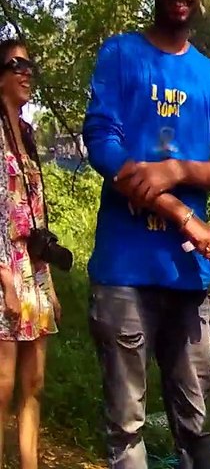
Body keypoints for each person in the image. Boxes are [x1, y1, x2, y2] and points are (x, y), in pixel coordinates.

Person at [84, 0, 210, 469]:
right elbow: (103, 144)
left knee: (197, 425)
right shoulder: (120, 55)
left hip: (185, 278)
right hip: (123, 274)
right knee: (126, 428)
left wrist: (177, 168)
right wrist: (182, 212)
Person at [0, 40, 60, 469]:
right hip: (3, 268)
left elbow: (36, 213)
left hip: (34, 271)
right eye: (15, 64)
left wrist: (49, 283)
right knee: (1, 386)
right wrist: (4, 278)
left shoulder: (27, 134)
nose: (26, 72)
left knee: (33, 384)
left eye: (29, 65)